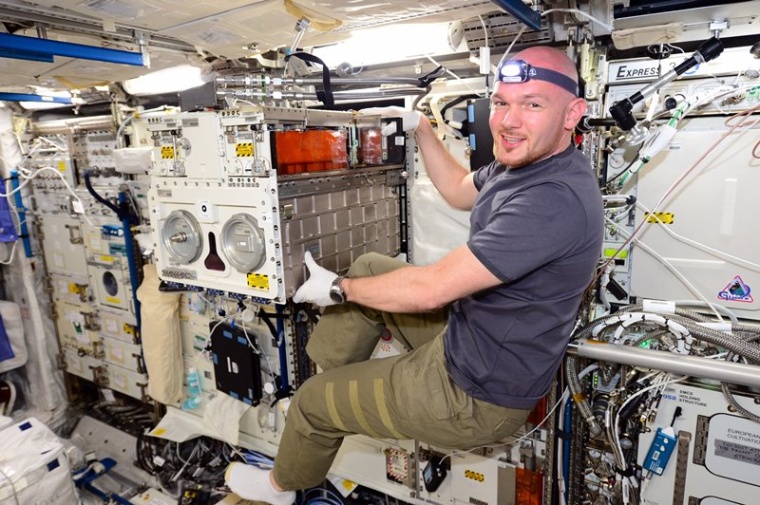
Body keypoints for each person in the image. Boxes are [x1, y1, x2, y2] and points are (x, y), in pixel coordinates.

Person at [224, 45, 604, 504]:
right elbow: (460, 191)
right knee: (369, 269)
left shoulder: (553, 198)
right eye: (502, 102)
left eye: (533, 105)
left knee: (313, 403)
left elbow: (430, 291)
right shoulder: (521, 164)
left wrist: (337, 289)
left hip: (473, 396)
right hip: (471, 339)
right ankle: (330, 385)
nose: (508, 121)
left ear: (573, 113)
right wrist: (420, 126)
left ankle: (283, 482)